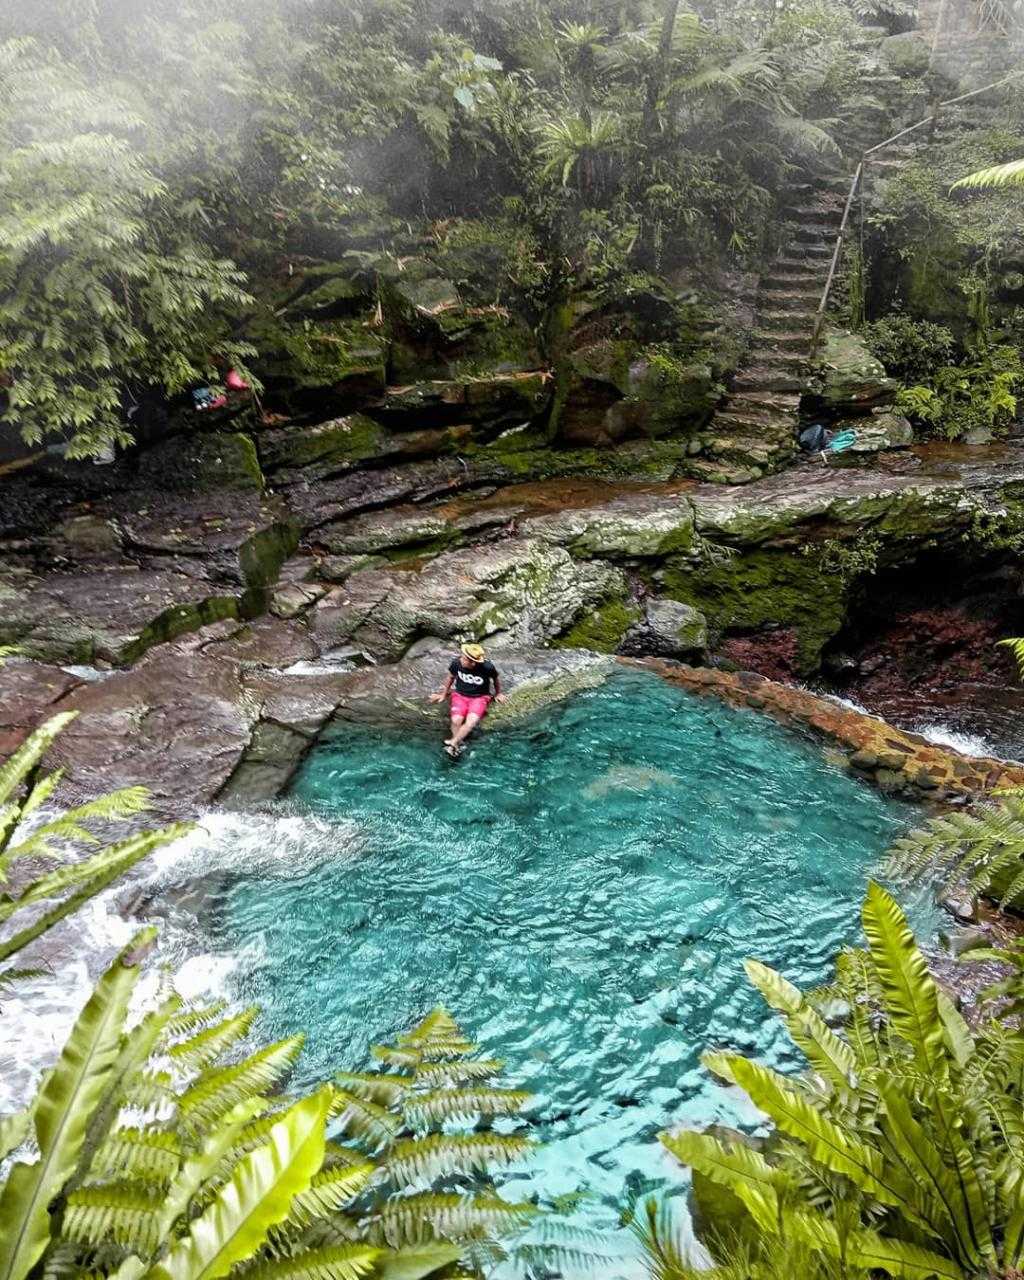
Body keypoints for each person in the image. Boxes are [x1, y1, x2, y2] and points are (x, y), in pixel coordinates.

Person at [429, 642, 507, 756]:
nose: (461, 659)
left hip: (479, 697)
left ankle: (454, 743)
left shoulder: (487, 667)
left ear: (472, 662)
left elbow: (495, 679)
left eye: (464, 659)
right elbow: (450, 677)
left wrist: (498, 693)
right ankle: (458, 744)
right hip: (460, 695)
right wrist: (443, 694)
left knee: (471, 721)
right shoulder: (457, 663)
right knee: (456, 720)